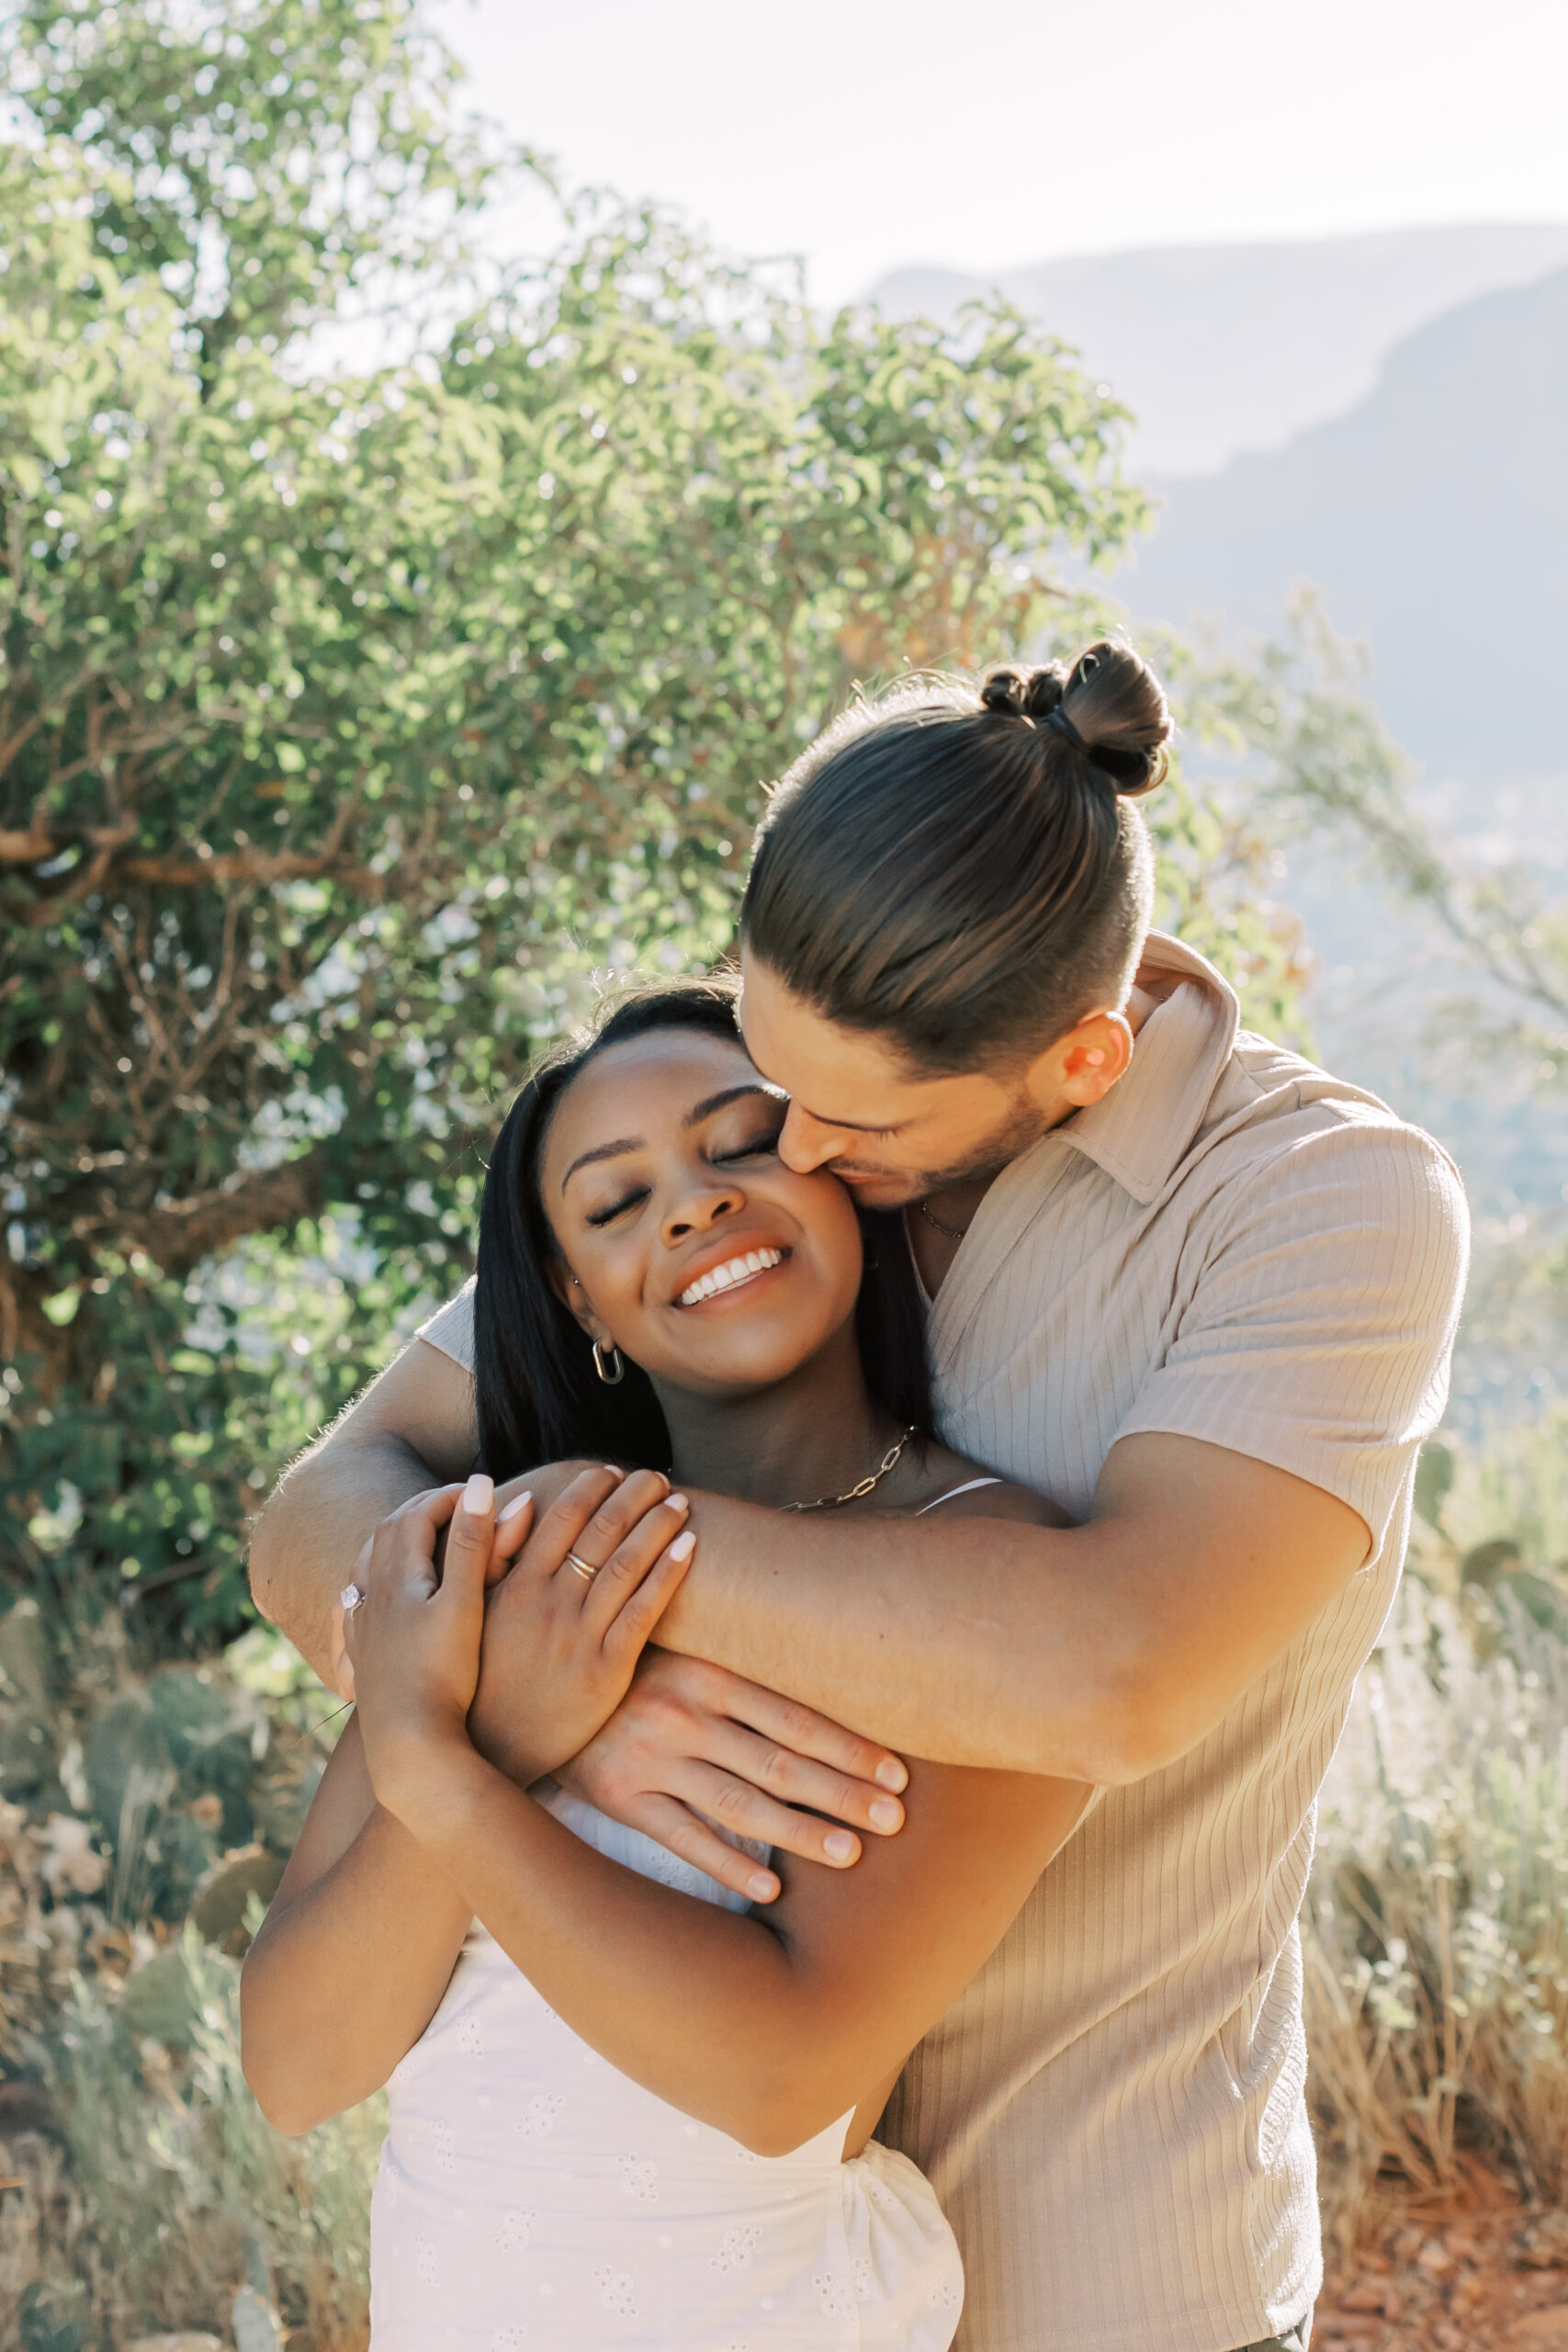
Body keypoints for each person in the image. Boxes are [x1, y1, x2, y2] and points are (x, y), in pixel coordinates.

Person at [251, 639, 1469, 2352]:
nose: (792, 1152)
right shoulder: (783, 1116)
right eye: (767, 1081)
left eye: (842, 1126)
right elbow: (325, 1506)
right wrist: (537, 1713)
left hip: (1103, 2277)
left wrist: (579, 1589)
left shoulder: (1321, 1203)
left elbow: (1110, 1671)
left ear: (1080, 1066)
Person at [242, 981, 1090, 2350]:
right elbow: (295, 2070)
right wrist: (505, 1739)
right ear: (579, 1300)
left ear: (840, 1170)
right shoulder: (497, 1560)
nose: (690, 1208)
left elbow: (780, 2080)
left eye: (737, 1143)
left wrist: (443, 1776)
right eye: (615, 1202)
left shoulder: (979, 1568)